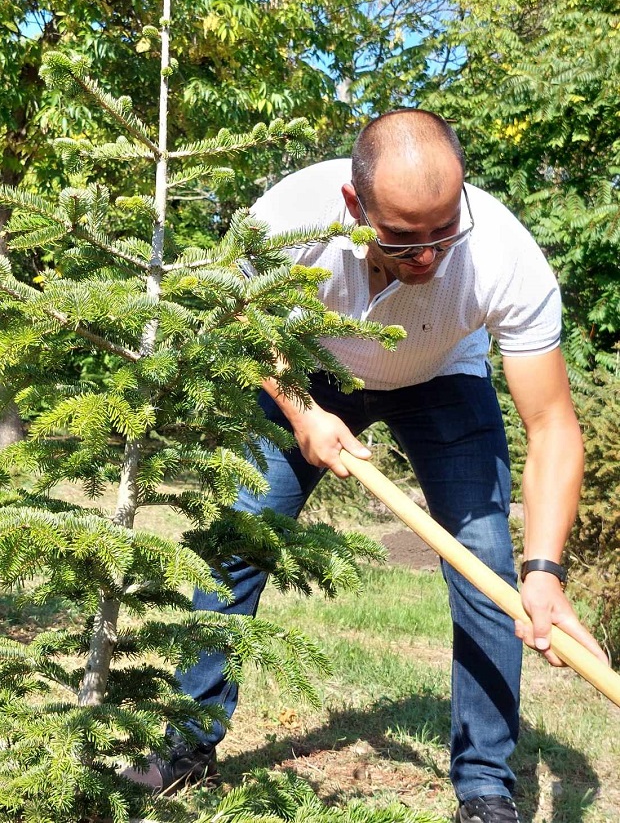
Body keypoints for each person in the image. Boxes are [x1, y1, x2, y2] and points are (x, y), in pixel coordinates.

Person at [126, 109, 607, 823]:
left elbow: (553, 426)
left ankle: (484, 787)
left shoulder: (503, 254)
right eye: (405, 239)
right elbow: (238, 315)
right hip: (313, 371)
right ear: (355, 205)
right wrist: (303, 412)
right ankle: (187, 744)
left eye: (444, 231)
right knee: (235, 543)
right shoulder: (291, 213)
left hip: (445, 379)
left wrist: (546, 572)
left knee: (485, 566)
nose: (428, 258)